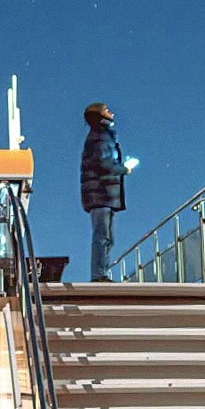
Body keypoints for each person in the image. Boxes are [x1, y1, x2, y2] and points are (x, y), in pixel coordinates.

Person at [80, 102, 132, 281]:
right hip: (101, 195)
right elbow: (103, 163)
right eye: (107, 110)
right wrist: (123, 169)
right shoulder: (100, 136)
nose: (112, 113)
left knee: (106, 237)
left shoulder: (100, 135)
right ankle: (99, 274)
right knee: (102, 237)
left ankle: (102, 273)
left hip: (103, 195)